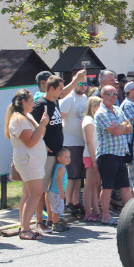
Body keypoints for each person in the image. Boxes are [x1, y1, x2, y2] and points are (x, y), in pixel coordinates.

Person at [5, 89, 48, 240]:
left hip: (33, 160)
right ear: (23, 101)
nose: (33, 103)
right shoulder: (18, 119)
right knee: (35, 194)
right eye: (31, 100)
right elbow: (29, 142)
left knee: (29, 194)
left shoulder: (26, 116)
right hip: (28, 161)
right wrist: (42, 125)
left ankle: (25, 227)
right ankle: (25, 229)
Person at [30, 75, 65, 230]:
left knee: (53, 188)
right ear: (51, 89)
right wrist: (42, 144)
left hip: (57, 151)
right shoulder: (40, 105)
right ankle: (39, 221)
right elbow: (31, 125)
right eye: (60, 89)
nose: (62, 91)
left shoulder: (55, 101)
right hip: (47, 153)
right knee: (41, 188)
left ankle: (52, 218)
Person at [95, 85, 133, 225]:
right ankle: (105, 215)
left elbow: (128, 128)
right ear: (102, 95)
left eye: (115, 93)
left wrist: (121, 126)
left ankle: (131, 214)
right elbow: (116, 131)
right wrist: (122, 125)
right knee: (107, 187)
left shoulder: (117, 110)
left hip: (120, 153)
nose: (113, 96)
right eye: (109, 94)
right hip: (107, 154)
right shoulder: (101, 113)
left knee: (124, 186)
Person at [59, 78, 88, 217]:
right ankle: (67, 203)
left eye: (85, 84)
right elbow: (59, 119)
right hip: (70, 142)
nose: (83, 86)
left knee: (79, 177)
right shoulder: (68, 99)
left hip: (82, 141)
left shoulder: (85, 98)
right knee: (71, 176)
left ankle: (75, 201)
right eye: (80, 83)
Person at [81, 96, 103, 221]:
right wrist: (94, 160)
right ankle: (88, 212)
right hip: (90, 155)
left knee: (95, 184)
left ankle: (96, 209)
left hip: (96, 154)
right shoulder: (88, 121)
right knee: (89, 184)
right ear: (94, 107)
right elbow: (89, 142)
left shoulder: (94, 120)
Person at [47, 148, 71, 232]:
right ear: (59, 158)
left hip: (55, 191)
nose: (68, 159)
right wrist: (61, 192)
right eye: (65, 157)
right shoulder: (61, 168)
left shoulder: (59, 167)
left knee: (57, 208)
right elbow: (58, 180)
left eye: (69, 157)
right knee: (57, 209)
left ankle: (56, 222)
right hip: (56, 191)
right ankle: (55, 224)